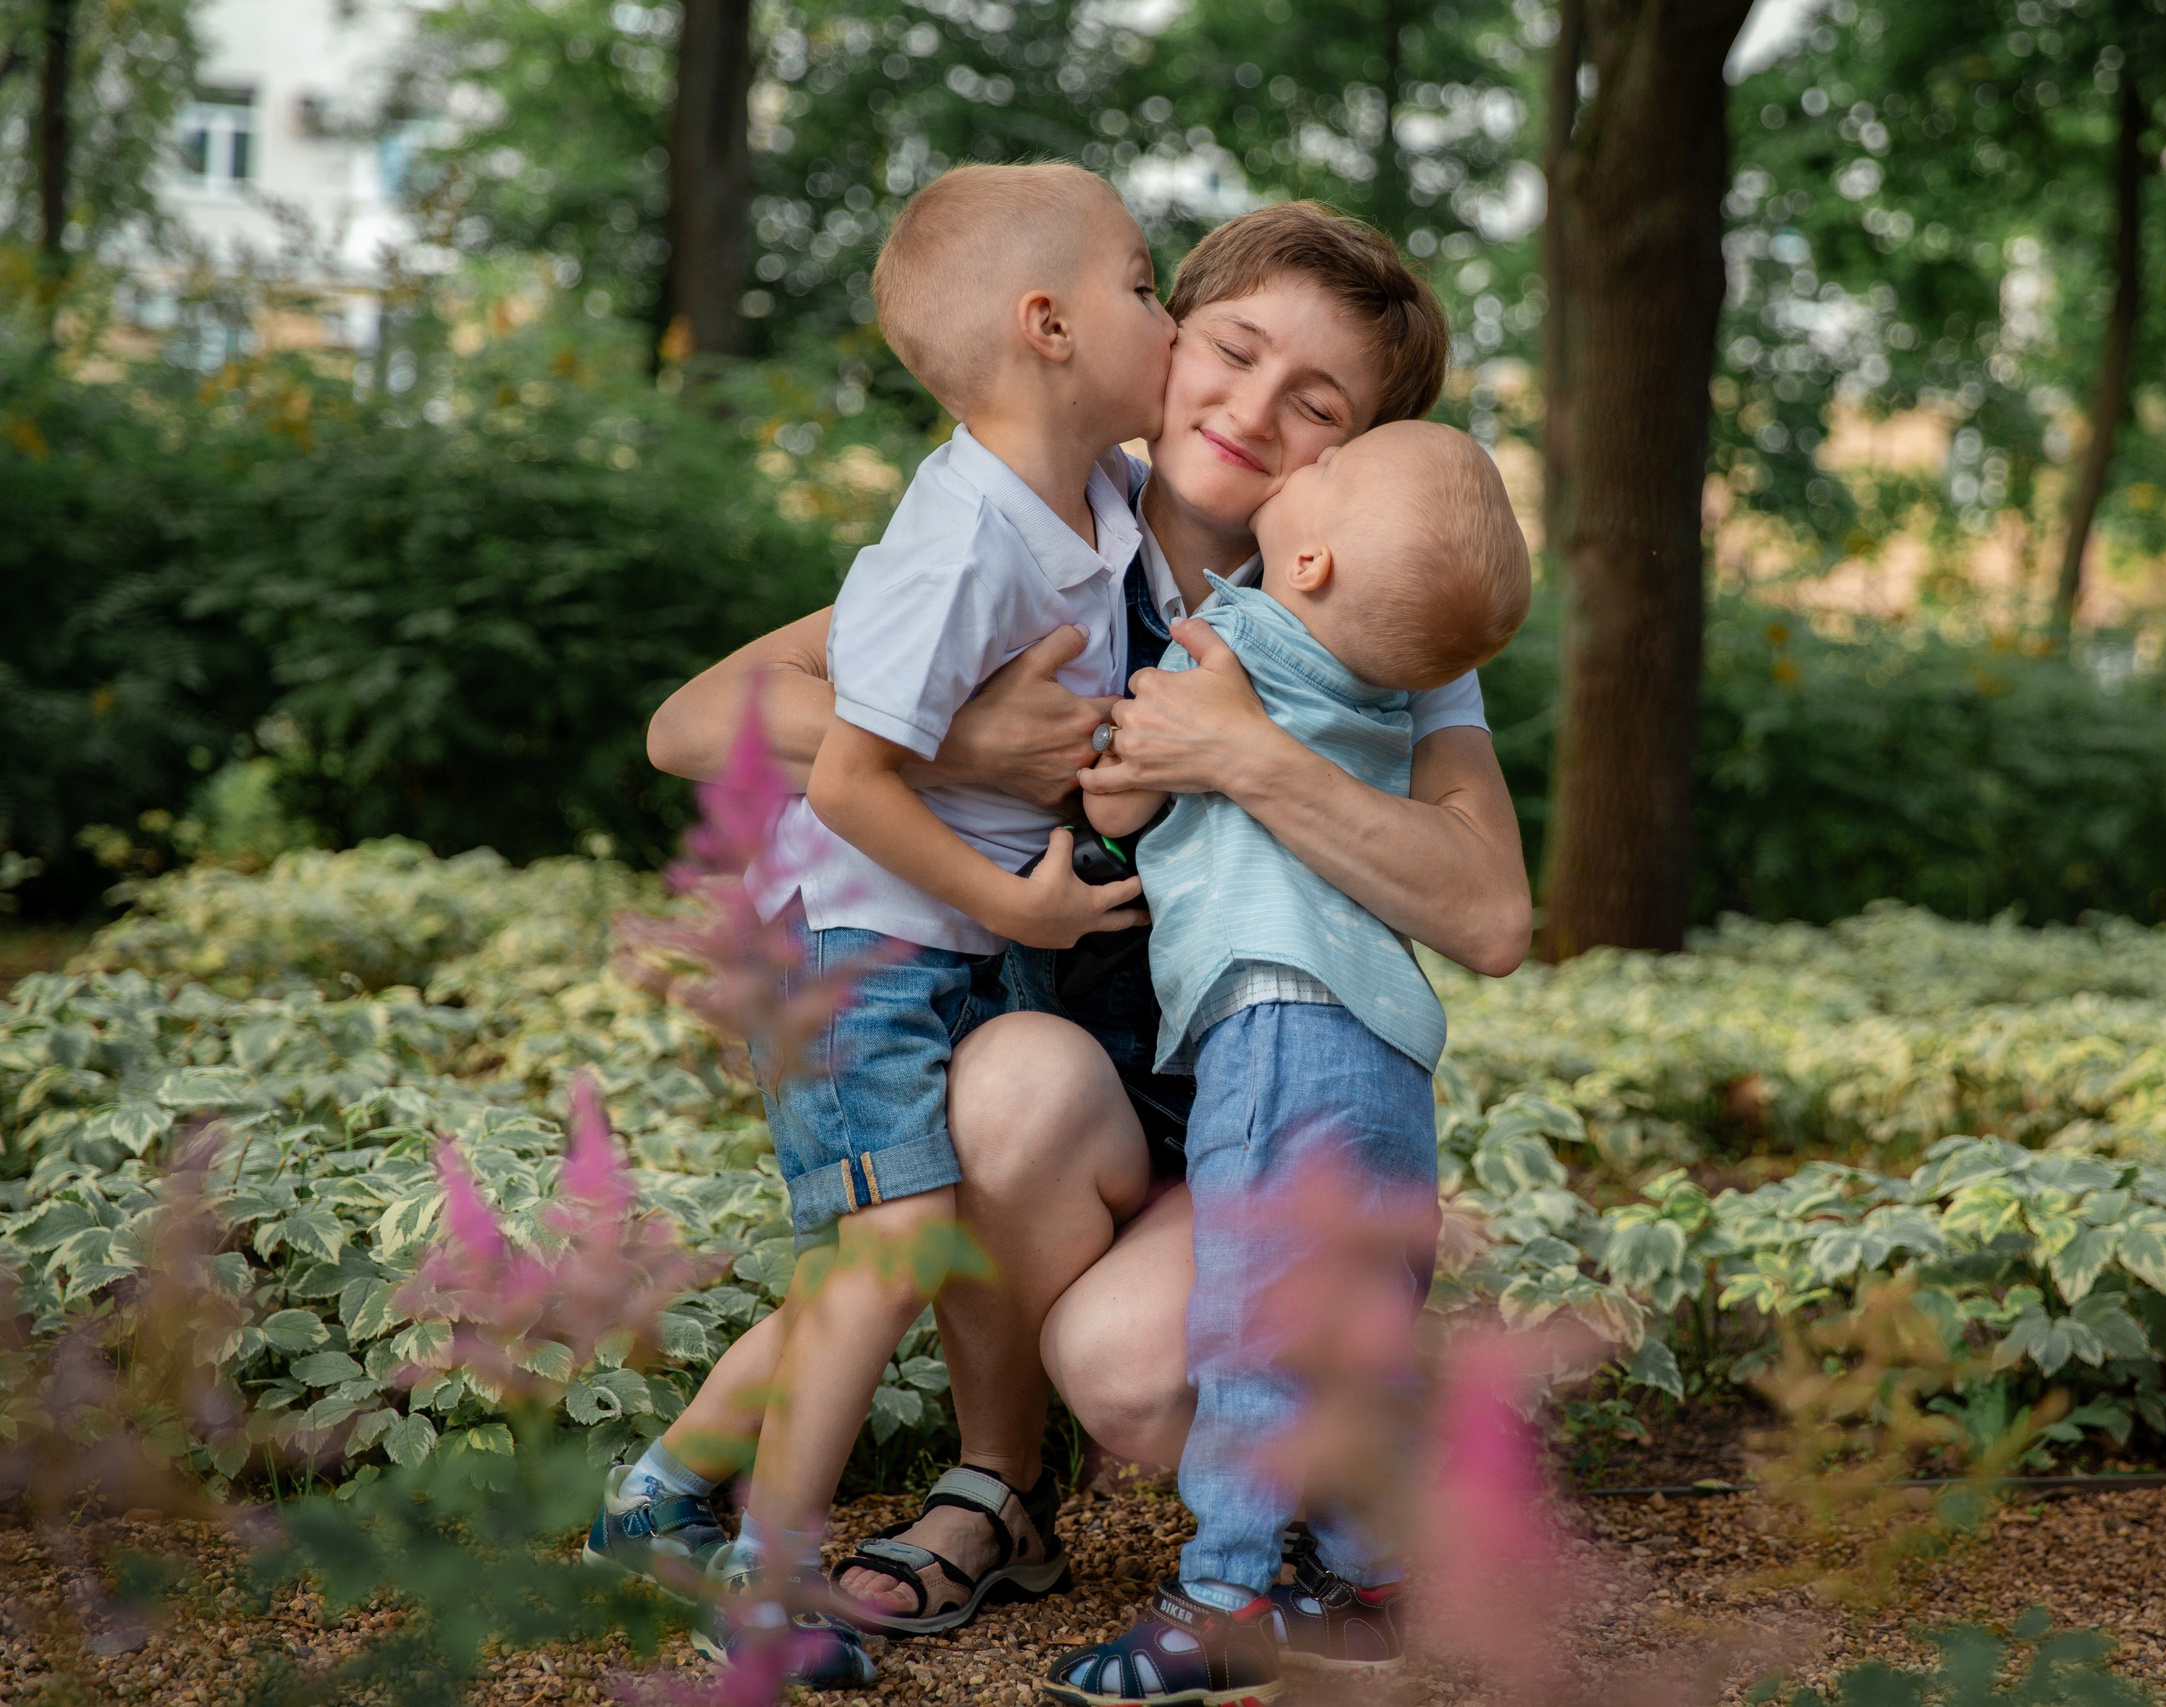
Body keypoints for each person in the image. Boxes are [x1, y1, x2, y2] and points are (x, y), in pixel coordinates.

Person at [622, 202, 1534, 1676]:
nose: (1254, 410)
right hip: (1088, 1086)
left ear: (1356, 458)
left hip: (1263, 1100)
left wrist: (1245, 754)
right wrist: (963, 737)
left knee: (1128, 1373)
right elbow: (690, 723)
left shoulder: (1381, 612)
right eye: (1234, 351)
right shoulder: (1040, 522)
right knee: (1004, 1076)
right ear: (1168, 338)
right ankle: (1000, 1483)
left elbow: (1491, 912)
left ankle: (1360, 1466)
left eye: (1321, 405)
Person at [592, 159, 1174, 1688]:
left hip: (948, 940)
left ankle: (663, 1487)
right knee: (893, 1246)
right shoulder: (959, 531)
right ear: (1047, 325)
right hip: (866, 939)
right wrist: (1013, 898)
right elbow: (848, 778)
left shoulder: (1096, 496)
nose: (1167, 315)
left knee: (903, 1242)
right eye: (1147, 284)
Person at [1042, 421, 1531, 1705]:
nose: (1292, 455)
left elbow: (1116, 796)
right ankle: (1368, 1591)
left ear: (1303, 558)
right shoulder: (1386, 699)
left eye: (1320, 464)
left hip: (1272, 1026)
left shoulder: (1237, 639)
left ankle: (1226, 1596)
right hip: (1383, 1055)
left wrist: (1104, 774)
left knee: (1253, 1324)